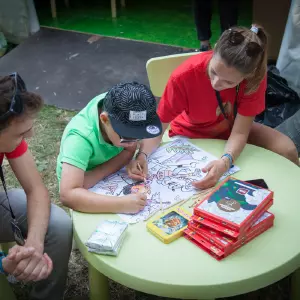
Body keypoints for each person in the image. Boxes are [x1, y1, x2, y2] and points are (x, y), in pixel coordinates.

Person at [127, 25, 299, 190]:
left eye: (229, 82)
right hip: (190, 133)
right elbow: (158, 127)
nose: (216, 83)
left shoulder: (255, 80)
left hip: (231, 130)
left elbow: (240, 132)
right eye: (214, 72)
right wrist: (142, 155)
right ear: (214, 50)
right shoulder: (184, 75)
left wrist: (225, 161)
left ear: (248, 75)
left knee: (287, 149)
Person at [0, 73, 73, 300]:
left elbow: (36, 190)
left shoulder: (9, 136)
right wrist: (3, 264)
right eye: (21, 133)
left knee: (59, 225)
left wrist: (34, 243)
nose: (30, 135)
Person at [57, 82, 162, 213]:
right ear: (105, 119)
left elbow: (129, 150)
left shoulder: (125, 103)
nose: (133, 143)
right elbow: (68, 195)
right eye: (127, 136)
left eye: (139, 136)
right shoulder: (79, 139)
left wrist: (139, 156)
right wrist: (121, 204)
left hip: (97, 177)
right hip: (83, 184)